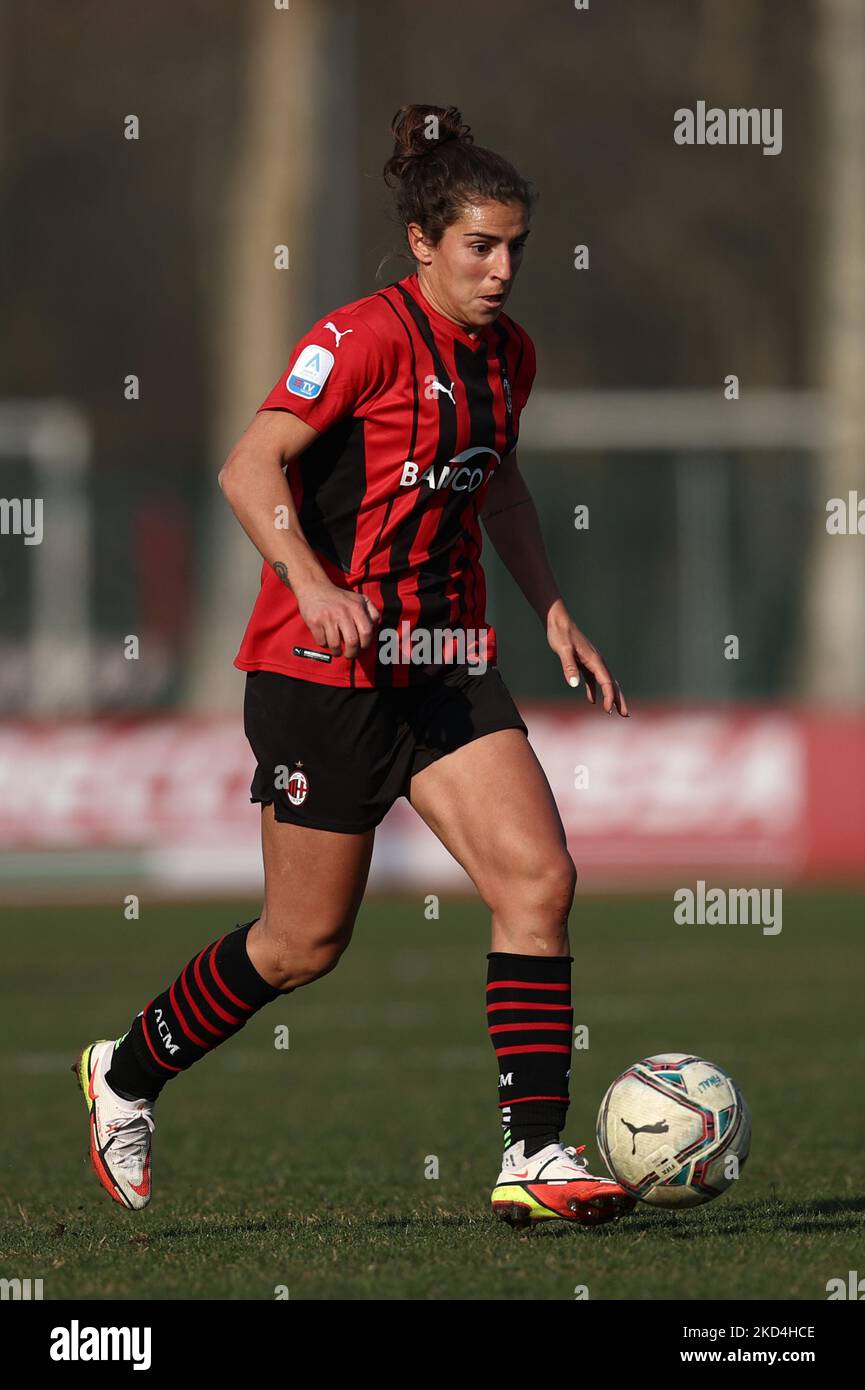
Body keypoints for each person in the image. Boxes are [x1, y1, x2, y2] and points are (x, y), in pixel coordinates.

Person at [73, 103, 633, 1229]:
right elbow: (248, 467)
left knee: (538, 882)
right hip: (317, 674)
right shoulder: (361, 338)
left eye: (515, 246)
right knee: (301, 944)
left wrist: (555, 608)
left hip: (442, 658)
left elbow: (502, 485)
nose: (503, 269)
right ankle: (126, 1076)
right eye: (481, 246)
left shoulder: (508, 356)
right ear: (424, 242)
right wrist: (312, 583)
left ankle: (531, 1150)